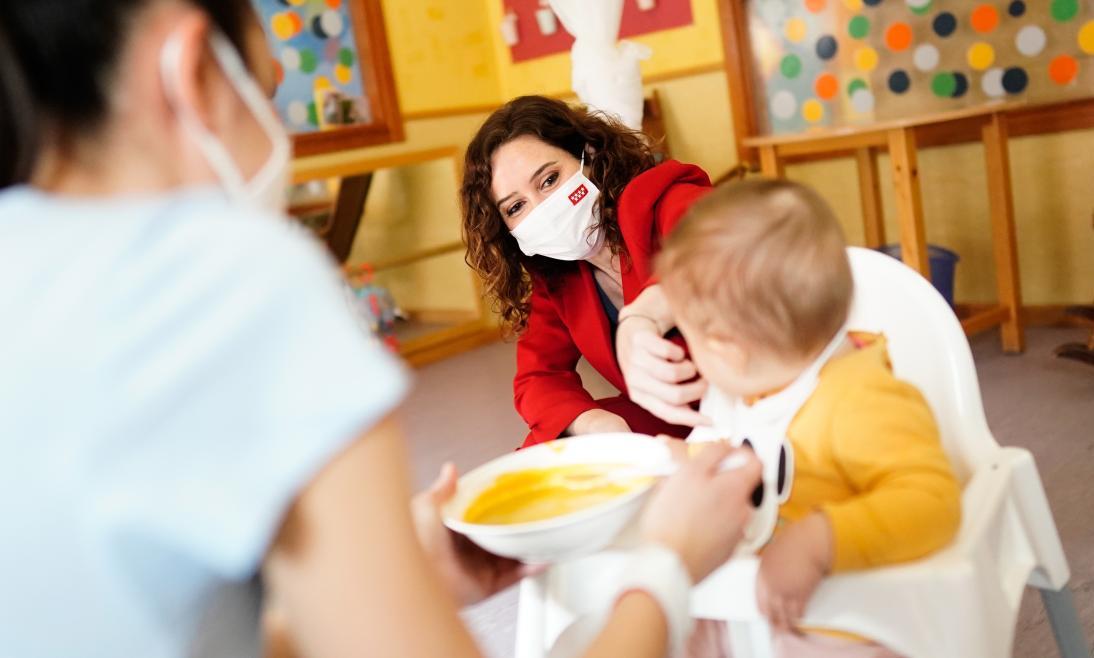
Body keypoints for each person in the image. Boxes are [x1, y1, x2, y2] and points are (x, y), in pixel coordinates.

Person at [0, 2, 764, 657]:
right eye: (269, 94)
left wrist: (396, 582)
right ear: (197, 72)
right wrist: (667, 566)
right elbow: (537, 380)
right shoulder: (232, 278)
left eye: (549, 180)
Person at [655, 180, 963, 657]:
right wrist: (684, 463)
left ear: (726, 349)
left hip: (837, 619)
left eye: (686, 332)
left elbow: (934, 502)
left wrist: (820, 540)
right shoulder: (742, 390)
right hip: (749, 597)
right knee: (671, 626)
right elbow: (737, 449)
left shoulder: (860, 398)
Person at [461, 96, 718, 447]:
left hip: (763, 388)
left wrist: (643, 316)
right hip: (685, 418)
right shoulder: (559, 279)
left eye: (549, 180)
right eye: (516, 206)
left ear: (589, 154)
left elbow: (716, 251)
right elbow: (537, 377)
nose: (543, 209)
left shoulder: (662, 199)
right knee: (550, 444)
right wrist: (593, 423)